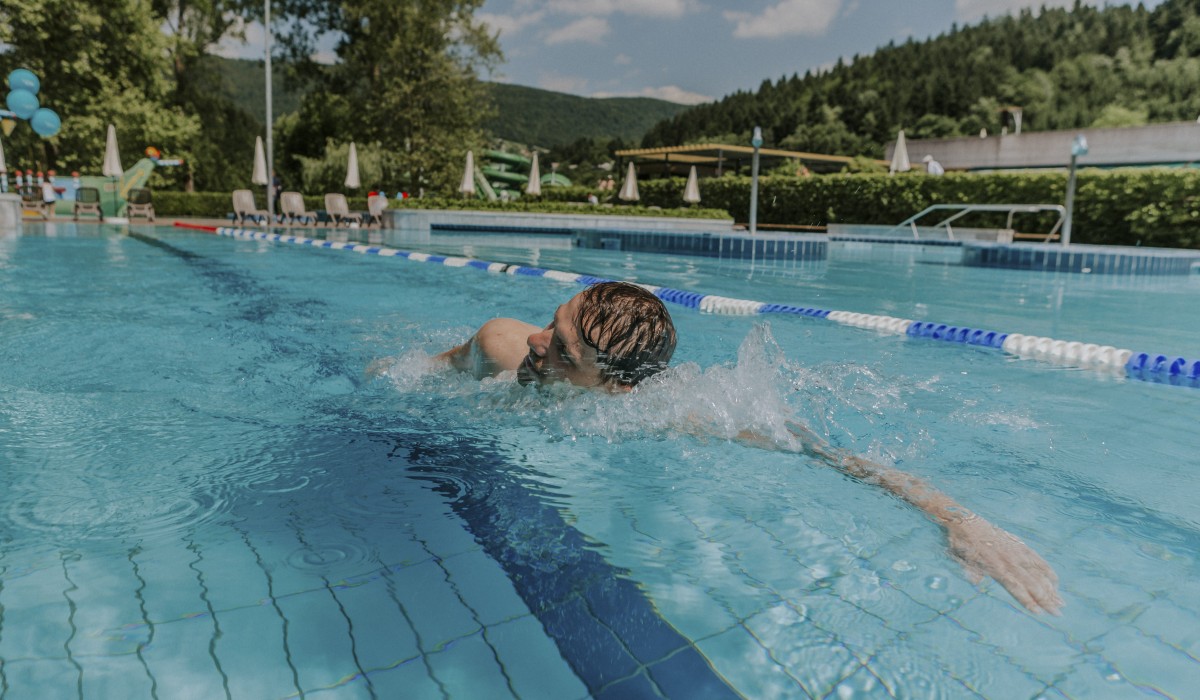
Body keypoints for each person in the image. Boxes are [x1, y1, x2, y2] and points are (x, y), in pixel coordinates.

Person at [424, 281, 1062, 614]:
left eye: (563, 350)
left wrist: (959, 520)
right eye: (553, 321)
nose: (538, 343)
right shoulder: (502, 344)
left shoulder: (667, 414)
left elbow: (831, 457)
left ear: (614, 387)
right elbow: (425, 372)